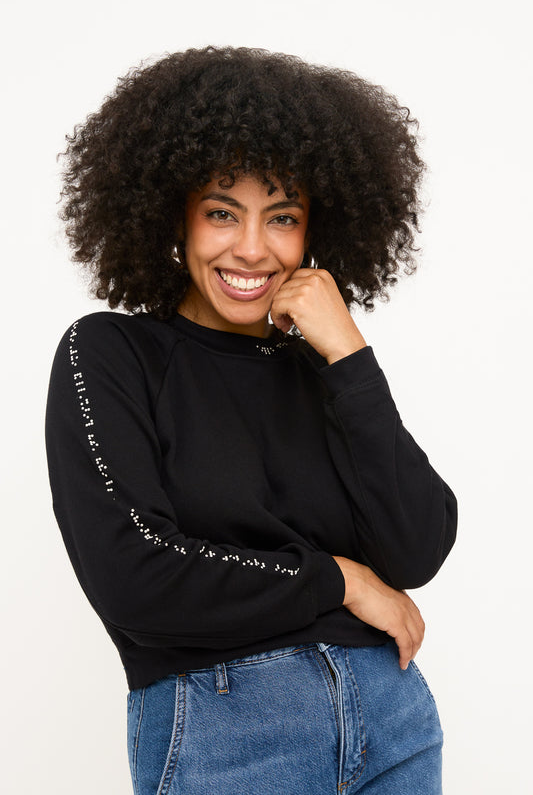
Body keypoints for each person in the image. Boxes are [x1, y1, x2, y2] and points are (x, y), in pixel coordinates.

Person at [45, 46, 458, 794]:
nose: (250, 247)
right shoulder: (112, 354)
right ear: (174, 213)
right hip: (230, 733)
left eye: (283, 217)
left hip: (393, 723)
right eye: (220, 212)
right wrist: (338, 582)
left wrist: (349, 355)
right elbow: (135, 575)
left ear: (314, 233)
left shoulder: (325, 373)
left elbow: (419, 546)